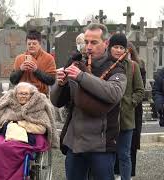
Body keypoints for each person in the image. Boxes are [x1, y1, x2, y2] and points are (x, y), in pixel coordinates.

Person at [50, 23, 127, 180]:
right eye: (86, 42)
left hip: (101, 144)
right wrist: (60, 84)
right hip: (75, 143)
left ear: (105, 43)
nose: (88, 47)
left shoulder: (117, 68)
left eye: (94, 42)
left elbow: (113, 93)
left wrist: (81, 76)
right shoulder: (76, 64)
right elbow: (56, 101)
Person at [0, 82, 58, 180]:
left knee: (9, 148)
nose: (23, 96)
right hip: (6, 133)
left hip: (30, 136)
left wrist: (22, 124)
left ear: (31, 95)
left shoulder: (39, 105)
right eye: (20, 93)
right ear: (15, 94)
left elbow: (42, 128)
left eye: (26, 94)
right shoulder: (9, 104)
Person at [107, 34, 144, 180]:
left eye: (121, 47)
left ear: (126, 50)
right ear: (110, 48)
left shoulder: (133, 66)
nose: (118, 50)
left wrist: (130, 102)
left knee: (124, 155)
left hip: (126, 119)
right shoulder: (104, 64)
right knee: (107, 156)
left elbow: (140, 90)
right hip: (107, 118)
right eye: (115, 47)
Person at [10, 30, 57, 95]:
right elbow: (13, 80)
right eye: (29, 44)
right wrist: (21, 70)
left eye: (34, 43)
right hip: (22, 95)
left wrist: (36, 70)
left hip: (41, 95)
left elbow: (52, 81)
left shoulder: (49, 58)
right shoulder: (19, 58)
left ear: (40, 44)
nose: (31, 46)